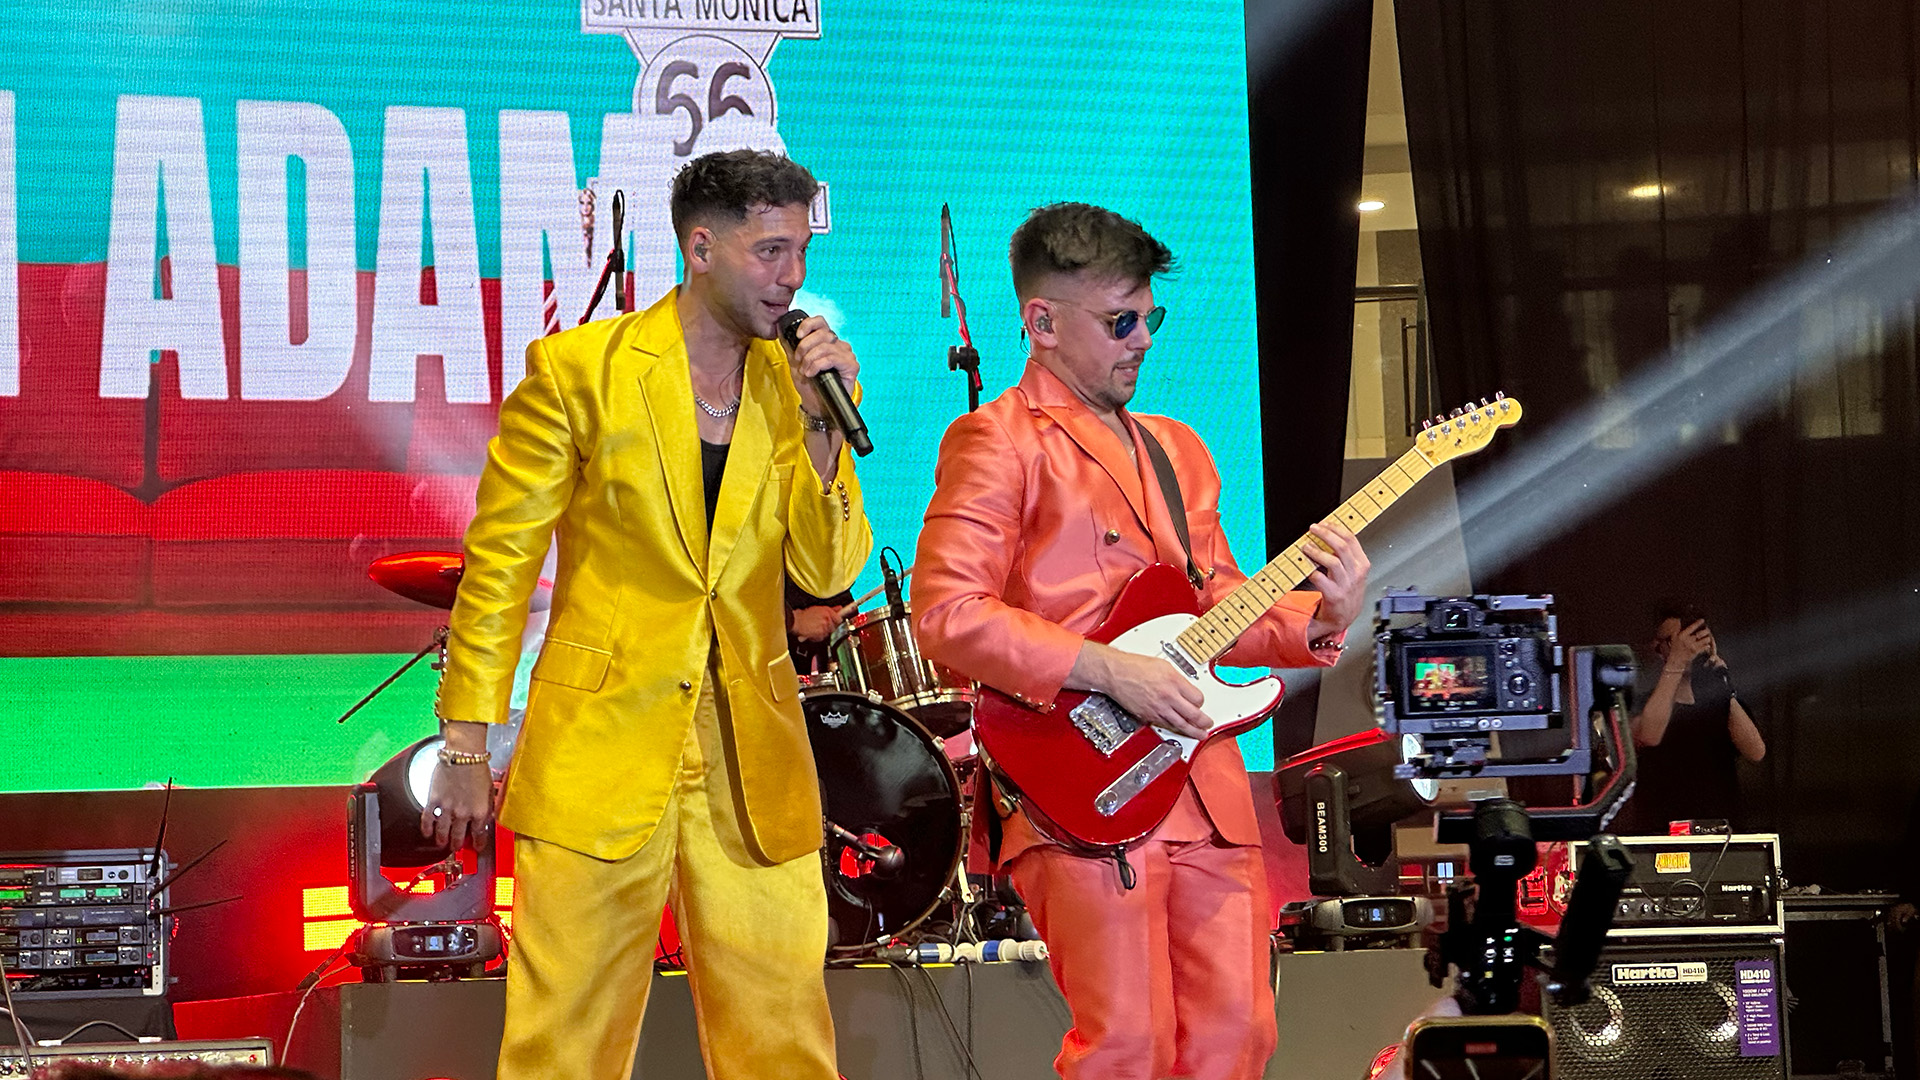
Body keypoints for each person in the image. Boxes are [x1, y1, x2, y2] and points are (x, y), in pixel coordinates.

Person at [427, 149, 871, 1080]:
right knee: (564, 1050)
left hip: (751, 760)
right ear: (700, 249)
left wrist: (822, 430)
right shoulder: (579, 372)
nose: (792, 277)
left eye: (802, 253)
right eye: (771, 251)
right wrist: (467, 744)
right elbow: (501, 565)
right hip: (600, 745)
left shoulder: (799, 386)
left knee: (785, 1049)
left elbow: (826, 569)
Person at [911, 202, 1370, 1080]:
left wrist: (1319, 616)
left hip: (1204, 781)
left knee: (1240, 1038)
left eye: (1150, 318)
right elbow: (946, 611)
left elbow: (1217, 600)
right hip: (1080, 782)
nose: (1143, 341)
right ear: (1042, 322)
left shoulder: (1177, 448)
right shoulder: (997, 440)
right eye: (1121, 321)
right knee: (1127, 1049)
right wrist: (1107, 669)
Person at [1626, 602, 1766, 833]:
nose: (1686, 648)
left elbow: (1756, 751)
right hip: (1661, 832)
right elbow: (1649, 735)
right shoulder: (1642, 702)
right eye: (1675, 641)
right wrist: (1676, 662)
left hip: (1719, 834)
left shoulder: (1718, 701)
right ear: (1658, 647)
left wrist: (1722, 684)